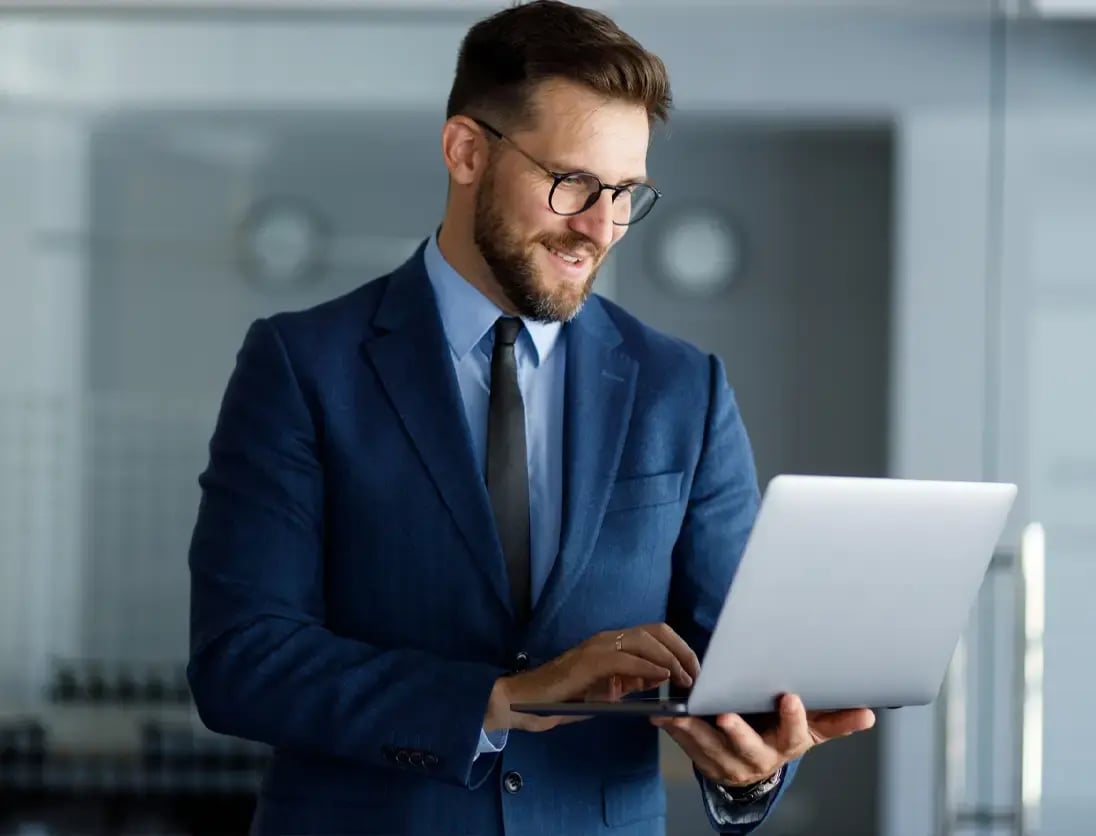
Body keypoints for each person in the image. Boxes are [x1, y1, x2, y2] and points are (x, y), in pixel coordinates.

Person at [186, 2, 876, 834]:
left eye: (626, 193)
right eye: (574, 183)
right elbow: (243, 662)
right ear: (467, 150)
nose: (600, 227)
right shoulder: (303, 367)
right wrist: (495, 700)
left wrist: (753, 768)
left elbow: (735, 663)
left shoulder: (681, 388)